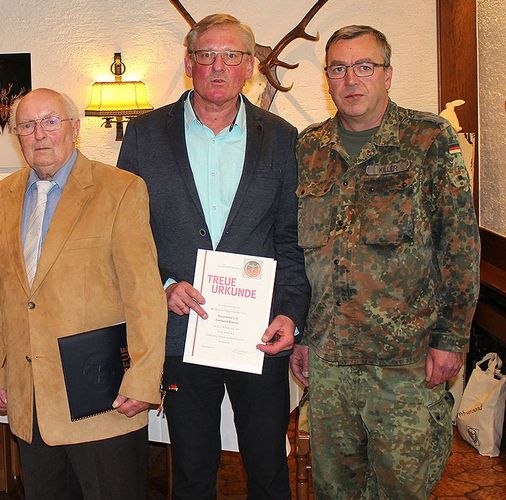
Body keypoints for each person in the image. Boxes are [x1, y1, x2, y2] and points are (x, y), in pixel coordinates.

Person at [117, 13, 311, 499]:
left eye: (232, 56)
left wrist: (290, 312)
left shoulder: (284, 137)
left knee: (268, 468)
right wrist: (163, 285)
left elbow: (291, 237)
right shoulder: (144, 135)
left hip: (259, 332)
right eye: (207, 55)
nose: (219, 66)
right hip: (185, 330)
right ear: (189, 63)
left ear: (250, 66)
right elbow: (129, 235)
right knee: (191, 470)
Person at [290, 25, 480, 498]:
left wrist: (451, 339)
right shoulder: (309, 148)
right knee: (335, 489)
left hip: (406, 363)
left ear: (388, 75)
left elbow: (459, 245)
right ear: (327, 79)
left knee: (404, 488)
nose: (351, 79)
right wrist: (303, 335)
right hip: (330, 364)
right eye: (339, 68)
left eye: (365, 67)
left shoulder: (429, 140)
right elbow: (301, 254)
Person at [0, 88, 167, 499]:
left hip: (101, 397)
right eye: (27, 125)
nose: (39, 134)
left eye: (50, 122)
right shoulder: (3, 196)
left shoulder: (120, 189)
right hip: (31, 400)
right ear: (17, 135)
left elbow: (145, 296)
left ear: (74, 129)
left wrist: (143, 377)